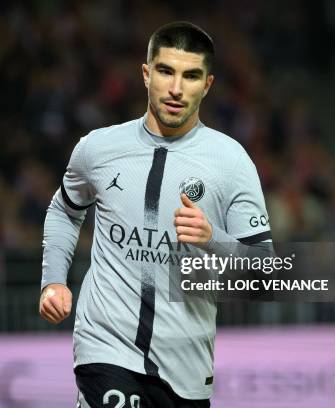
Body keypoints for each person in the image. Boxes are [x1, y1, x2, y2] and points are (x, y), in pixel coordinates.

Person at [40, 21, 272, 407]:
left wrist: (212, 239)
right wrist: (54, 281)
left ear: (207, 85)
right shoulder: (98, 149)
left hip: (187, 369)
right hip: (105, 349)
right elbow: (64, 210)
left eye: (191, 76)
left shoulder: (232, 162)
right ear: (146, 74)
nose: (177, 89)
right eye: (166, 71)